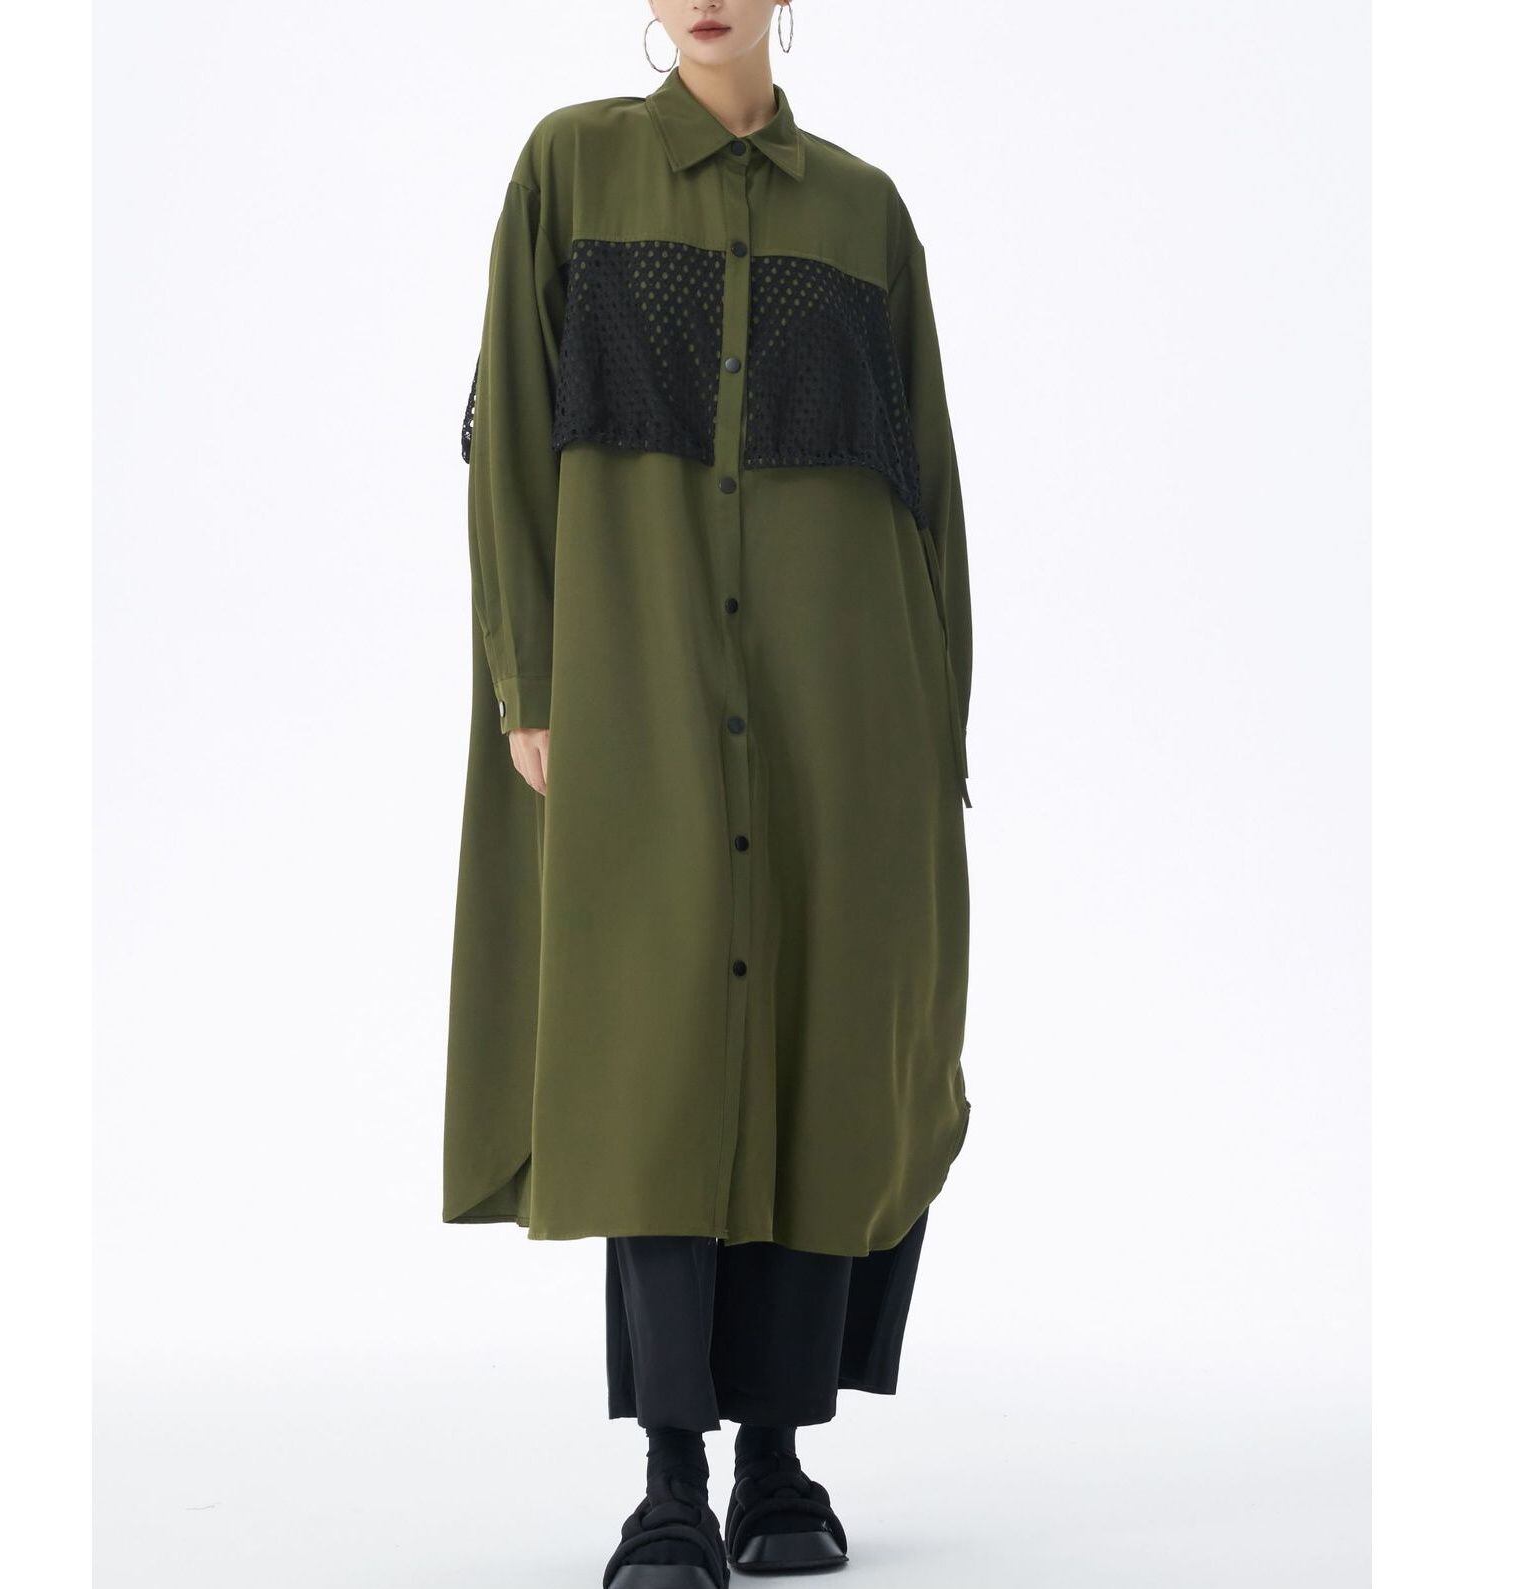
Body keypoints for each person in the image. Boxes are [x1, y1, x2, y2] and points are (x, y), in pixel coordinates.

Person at [443, 3, 974, 1583]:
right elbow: (509, 436)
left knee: (821, 1059)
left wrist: (933, 735)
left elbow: (928, 491)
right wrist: (530, 684)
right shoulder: (570, 168)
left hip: (844, 708)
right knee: (653, 1061)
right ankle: (668, 1476)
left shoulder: (863, 213)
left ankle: (778, 1463)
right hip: (637, 689)